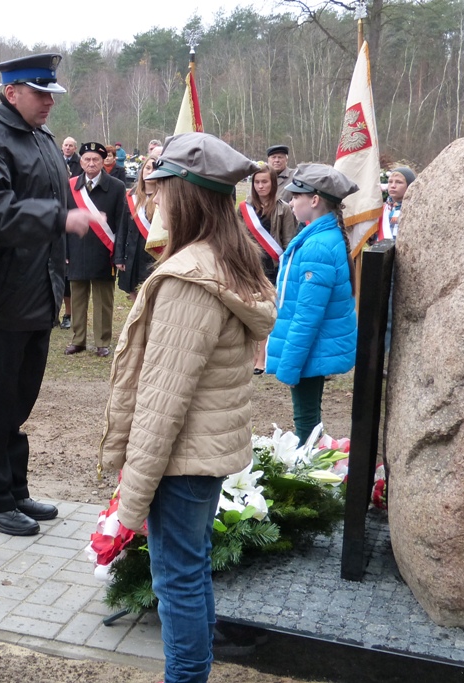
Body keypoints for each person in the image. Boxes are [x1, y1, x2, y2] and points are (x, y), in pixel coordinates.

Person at [100, 132, 275, 683]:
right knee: (190, 570)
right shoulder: (227, 260)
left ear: (186, 194)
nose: (153, 197)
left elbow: (162, 402)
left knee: (176, 580)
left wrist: (133, 496)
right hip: (203, 454)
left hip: (180, 459)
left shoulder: (189, 281)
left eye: (161, 188)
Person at [0, 53, 96, 536]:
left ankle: (14, 488)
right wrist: (59, 219)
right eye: (39, 93)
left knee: (20, 398)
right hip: (4, 289)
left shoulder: (42, 139)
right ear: (10, 92)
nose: (48, 102)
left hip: (41, 287)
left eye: (51, 94)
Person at [266, 163, 358, 445]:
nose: (291, 202)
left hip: (308, 348)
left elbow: (307, 315)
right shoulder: (320, 237)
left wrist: (290, 364)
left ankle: (308, 466)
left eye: (296, 196)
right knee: (310, 416)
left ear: (315, 200)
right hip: (312, 346)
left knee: (305, 421)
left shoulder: (317, 246)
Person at [64, 141, 127, 357]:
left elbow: (121, 223)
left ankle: (102, 341)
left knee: (103, 300)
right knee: (78, 298)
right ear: (81, 162)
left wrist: (119, 254)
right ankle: (78, 339)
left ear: (103, 162)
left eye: (96, 159)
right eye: (87, 159)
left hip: (104, 251)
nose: (91, 163)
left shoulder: (117, 187)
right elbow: (63, 221)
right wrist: (64, 252)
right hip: (76, 250)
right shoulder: (70, 186)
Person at [237, 166, 298, 374]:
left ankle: (261, 357)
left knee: (266, 311)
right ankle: (247, 355)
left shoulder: (284, 209)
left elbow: (289, 241)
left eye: (265, 182)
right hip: (248, 267)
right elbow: (237, 239)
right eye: (257, 182)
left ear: (273, 183)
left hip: (273, 268)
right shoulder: (244, 208)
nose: (260, 186)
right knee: (248, 309)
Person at [116, 148, 161, 300]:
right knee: (134, 293)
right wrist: (119, 257)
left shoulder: (165, 197)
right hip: (132, 253)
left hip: (153, 254)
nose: (150, 172)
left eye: (154, 169)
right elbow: (122, 228)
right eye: (147, 168)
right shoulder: (130, 196)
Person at [380, 166, 414, 351]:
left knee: (394, 307)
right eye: (390, 181)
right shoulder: (383, 209)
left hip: (402, 263)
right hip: (382, 263)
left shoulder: (412, 209)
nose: (393, 185)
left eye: (399, 182)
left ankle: (389, 348)